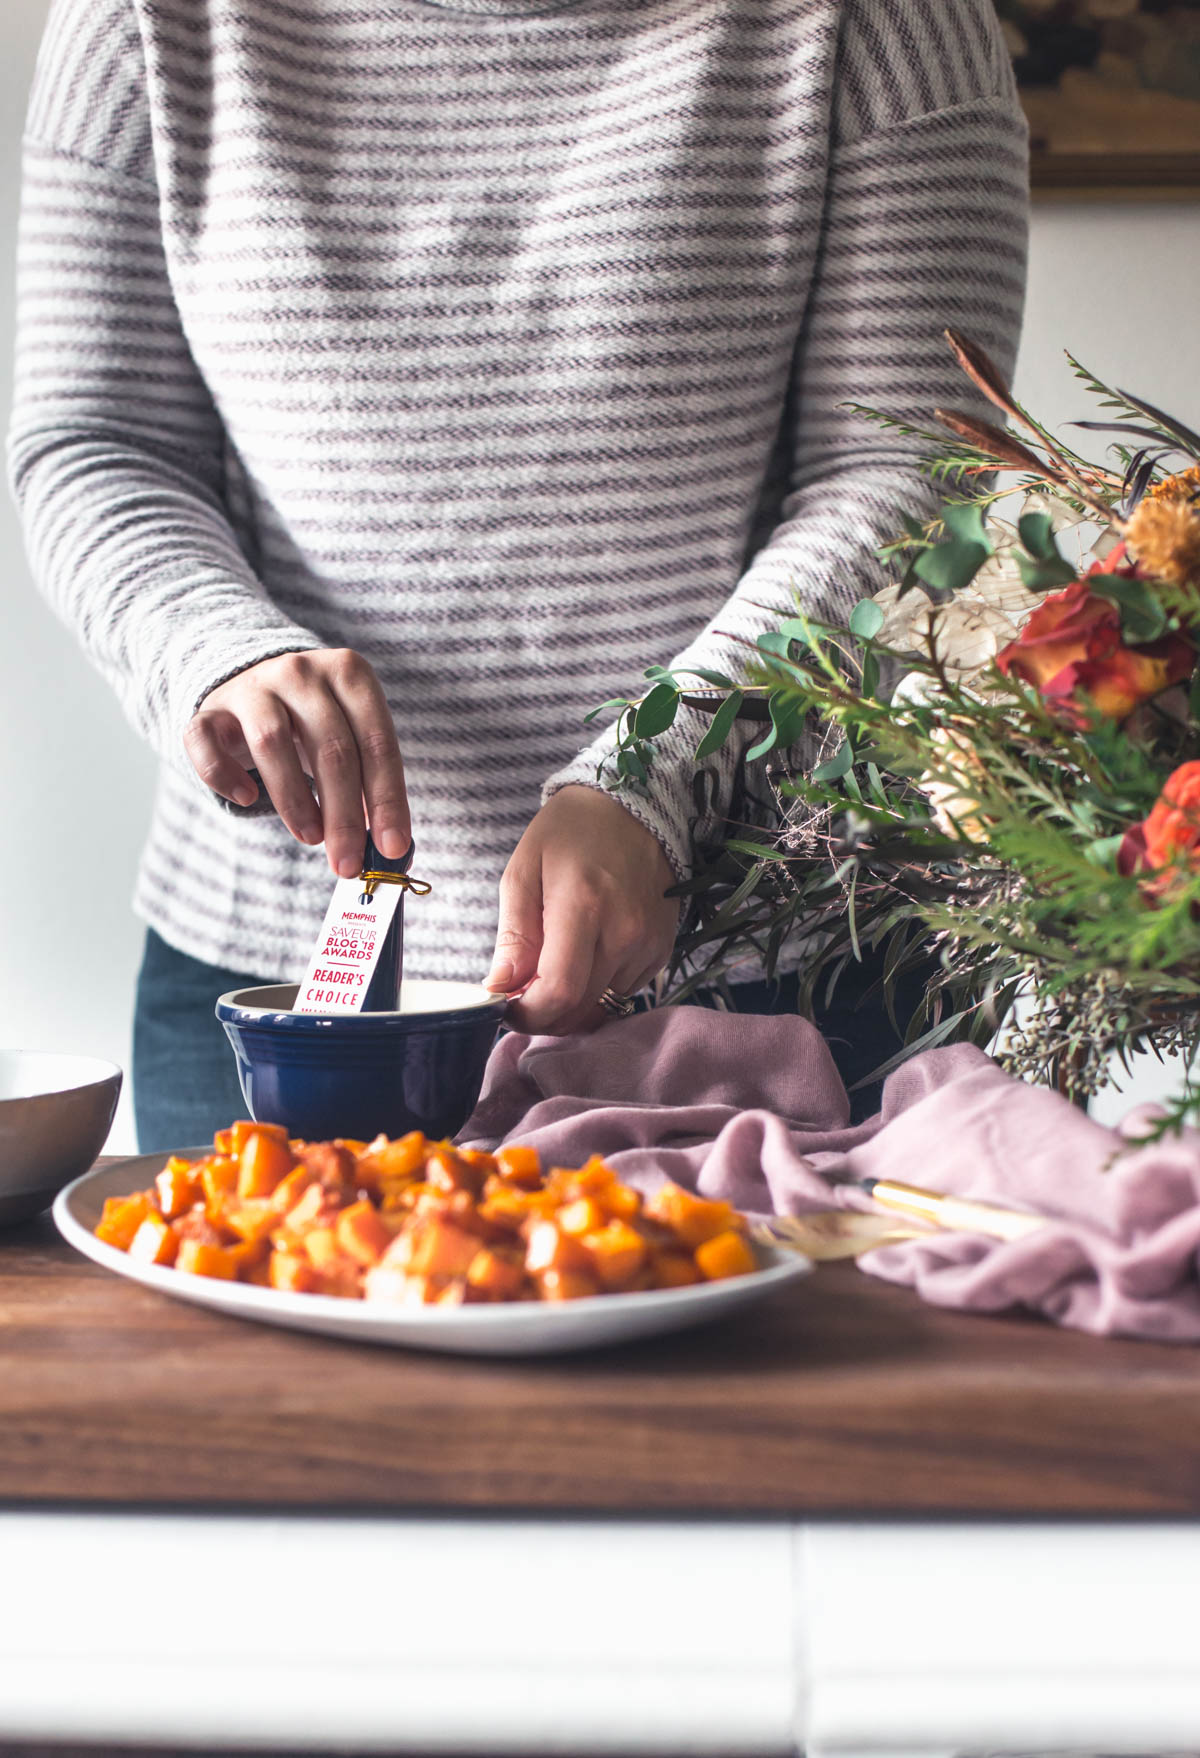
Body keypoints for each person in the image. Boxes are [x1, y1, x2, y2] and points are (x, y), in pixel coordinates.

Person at [9, 0, 1029, 1149]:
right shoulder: (144, 23)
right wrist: (212, 648)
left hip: (770, 970)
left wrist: (663, 769)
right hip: (279, 993)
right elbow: (94, 442)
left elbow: (904, 471)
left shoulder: (878, 21)